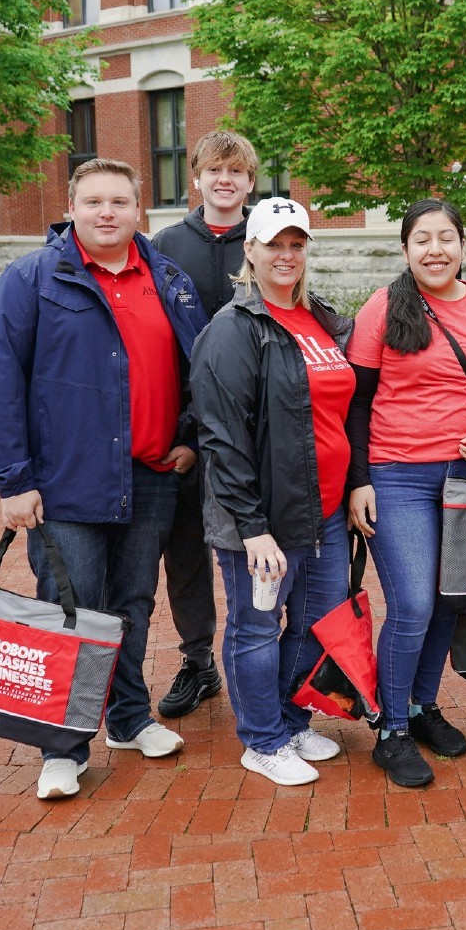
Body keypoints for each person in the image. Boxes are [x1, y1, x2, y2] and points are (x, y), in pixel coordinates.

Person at [0, 158, 206, 800]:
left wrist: (187, 441)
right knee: (73, 611)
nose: (108, 212)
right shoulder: (32, 280)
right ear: (71, 208)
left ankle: (128, 719)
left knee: (131, 606)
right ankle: (63, 747)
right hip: (65, 482)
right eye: (94, 201)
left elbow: (200, 368)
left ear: (140, 212)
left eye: (121, 202)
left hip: (151, 474)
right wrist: (11, 480)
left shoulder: (168, 278)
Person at [190, 196, 357, 787]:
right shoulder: (233, 331)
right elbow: (222, 439)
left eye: (296, 244)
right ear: (250, 252)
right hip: (261, 520)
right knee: (257, 627)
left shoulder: (322, 320)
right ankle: (261, 740)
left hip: (327, 511)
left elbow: (345, 413)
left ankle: (288, 719)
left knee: (316, 624)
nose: (286, 255)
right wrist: (252, 527)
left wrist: (356, 482)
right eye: (273, 244)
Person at [345, 199, 466, 788]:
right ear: (406, 249)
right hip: (397, 476)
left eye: (446, 238)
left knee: (447, 599)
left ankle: (420, 705)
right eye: (421, 240)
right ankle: (391, 730)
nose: (434, 250)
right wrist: (358, 479)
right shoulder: (384, 307)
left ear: (463, 246)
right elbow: (355, 399)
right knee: (412, 603)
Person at [149, 130, 260, 719]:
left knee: (266, 551)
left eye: (237, 172)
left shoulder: (269, 241)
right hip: (187, 438)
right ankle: (198, 660)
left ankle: (270, 658)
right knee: (187, 555)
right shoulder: (164, 247)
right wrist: (185, 435)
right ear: (195, 177)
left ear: (250, 181)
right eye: (215, 170)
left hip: (259, 437)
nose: (226, 180)